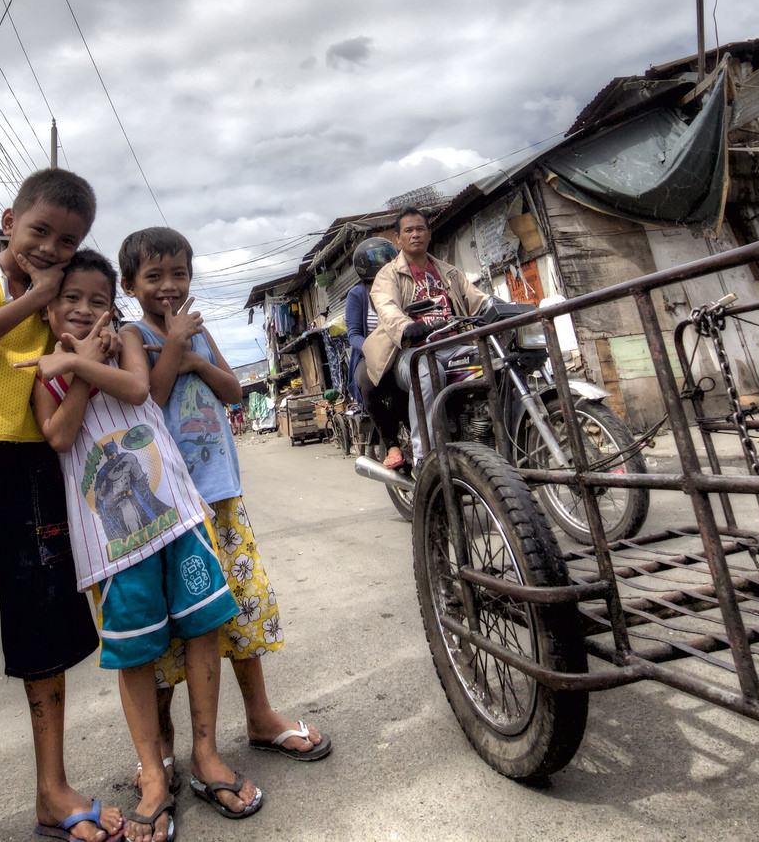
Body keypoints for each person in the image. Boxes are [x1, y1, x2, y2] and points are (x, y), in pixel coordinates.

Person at [22, 250, 247, 842]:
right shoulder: (43, 374)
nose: (85, 310)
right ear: (47, 308)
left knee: (203, 627)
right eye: (71, 300)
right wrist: (70, 368)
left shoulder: (122, 338)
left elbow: (137, 386)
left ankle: (206, 752)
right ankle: (153, 773)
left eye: (98, 300)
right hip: (111, 546)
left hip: (174, 514)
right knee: (136, 654)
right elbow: (62, 433)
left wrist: (78, 361)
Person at [0, 169, 117, 842]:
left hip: (32, 468)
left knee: (43, 621)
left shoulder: (56, 297)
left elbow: (73, 357)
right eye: (39, 231)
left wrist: (70, 321)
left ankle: (51, 787)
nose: (50, 248)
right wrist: (34, 296)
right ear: (9, 220)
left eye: (67, 241)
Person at [120, 226, 332, 811]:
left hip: (221, 493)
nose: (169, 286)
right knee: (181, 623)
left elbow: (234, 390)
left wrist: (191, 351)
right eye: (154, 277)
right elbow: (147, 400)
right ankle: (161, 748)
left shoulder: (194, 327)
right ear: (130, 285)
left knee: (240, 605)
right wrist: (177, 353)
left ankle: (260, 716)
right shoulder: (131, 335)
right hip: (173, 507)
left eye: (179, 274)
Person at [364, 208, 487, 462]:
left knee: (493, 360)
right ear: (398, 238)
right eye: (408, 230)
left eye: (420, 229)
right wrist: (406, 326)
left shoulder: (448, 272)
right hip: (410, 352)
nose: (415, 234)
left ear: (429, 234)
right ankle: (426, 459)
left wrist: (500, 308)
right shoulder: (388, 275)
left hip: (454, 344)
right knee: (429, 373)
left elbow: (477, 300)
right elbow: (386, 307)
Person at [344, 236, 408, 470]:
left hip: (405, 349)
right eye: (377, 258)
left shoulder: (402, 285)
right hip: (372, 356)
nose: (384, 262)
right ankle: (391, 444)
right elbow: (353, 335)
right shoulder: (358, 294)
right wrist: (373, 349)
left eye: (387, 256)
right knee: (367, 384)